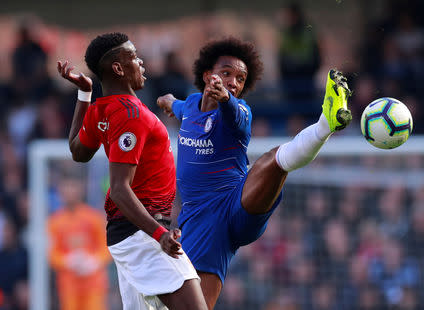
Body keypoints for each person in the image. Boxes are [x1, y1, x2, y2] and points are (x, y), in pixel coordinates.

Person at [157, 37, 352, 309]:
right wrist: (166, 101)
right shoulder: (190, 105)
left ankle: (325, 124)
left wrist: (225, 98)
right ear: (206, 75)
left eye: (240, 78)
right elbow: (176, 105)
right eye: (226, 74)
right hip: (200, 219)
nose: (234, 82)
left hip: (235, 203)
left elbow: (234, 114)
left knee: (274, 160)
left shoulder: (241, 112)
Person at [57, 32, 207, 310]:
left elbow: (78, 151)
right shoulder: (130, 114)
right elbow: (118, 188)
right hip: (143, 234)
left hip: (131, 235)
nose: (142, 63)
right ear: (118, 68)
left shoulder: (105, 110)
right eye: (135, 57)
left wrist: (85, 93)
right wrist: (158, 234)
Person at [47, 177, 111, 310]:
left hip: (93, 282)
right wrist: (67, 261)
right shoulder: (54, 222)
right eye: (66, 187)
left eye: (73, 187)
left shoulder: (94, 218)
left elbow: (107, 247)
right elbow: (52, 254)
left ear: (80, 190)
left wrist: (94, 261)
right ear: (60, 191)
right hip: (69, 284)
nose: (70, 192)